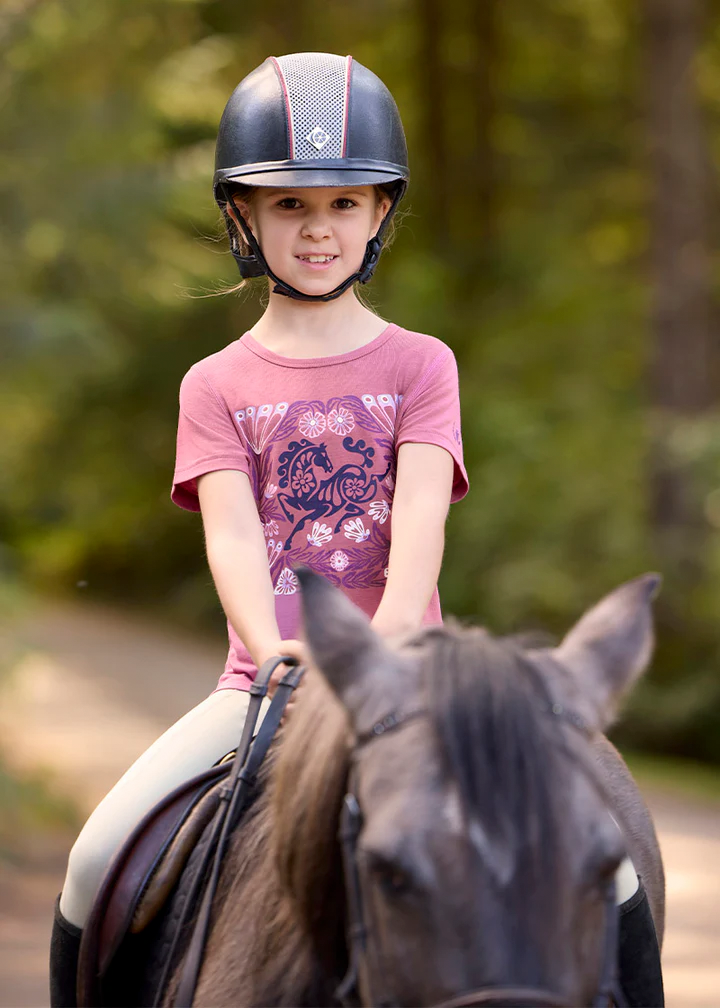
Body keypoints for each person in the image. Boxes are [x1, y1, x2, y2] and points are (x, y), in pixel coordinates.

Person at [49, 52, 468, 1007]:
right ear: (243, 216)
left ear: (380, 213)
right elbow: (234, 536)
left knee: (601, 851)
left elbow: (419, 514)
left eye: (344, 203)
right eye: (290, 205)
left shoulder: (422, 365)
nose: (319, 228)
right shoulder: (216, 385)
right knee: (95, 861)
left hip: (410, 676)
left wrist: (382, 644)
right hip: (264, 687)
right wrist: (273, 650)